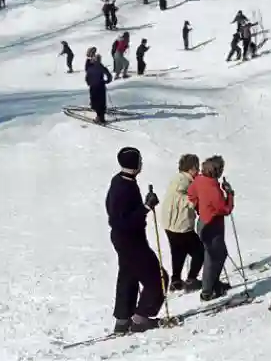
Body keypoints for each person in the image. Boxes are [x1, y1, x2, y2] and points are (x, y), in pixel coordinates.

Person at [105, 147, 166, 334]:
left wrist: (143, 207)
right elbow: (122, 220)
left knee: (128, 276)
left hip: (125, 239)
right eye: (140, 160)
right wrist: (146, 207)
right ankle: (141, 319)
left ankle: (123, 320)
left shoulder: (120, 180)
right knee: (157, 277)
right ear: (135, 164)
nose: (142, 163)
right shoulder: (124, 187)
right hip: (130, 240)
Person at [187, 156, 234, 302]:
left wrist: (198, 207)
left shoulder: (199, 180)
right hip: (213, 225)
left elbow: (191, 193)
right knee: (214, 256)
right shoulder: (213, 188)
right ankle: (208, 291)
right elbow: (225, 209)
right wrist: (230, 194)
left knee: (215, 255)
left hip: (203, 222)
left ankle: (213, 284)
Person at [162, 154, 204, 292]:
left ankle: (175, 280)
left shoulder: (177, 178)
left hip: (169, 224)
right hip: (181, 224)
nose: (198, 170)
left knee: (178, 251)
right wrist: (197, 200)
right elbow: (183, 198)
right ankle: (191, 279)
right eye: (196, 167)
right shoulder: (184, 182)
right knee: (199, 252)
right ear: (191, 168)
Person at [86, 52, 113, 124]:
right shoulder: (101, 67)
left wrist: (89, 83)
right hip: (100, 86)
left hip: (93, 86)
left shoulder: (90, 67)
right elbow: (109, 76)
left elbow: (87, 77)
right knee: (101, 101)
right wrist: (106, 81)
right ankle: (102, 117)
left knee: (95, 101)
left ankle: (98, 116)